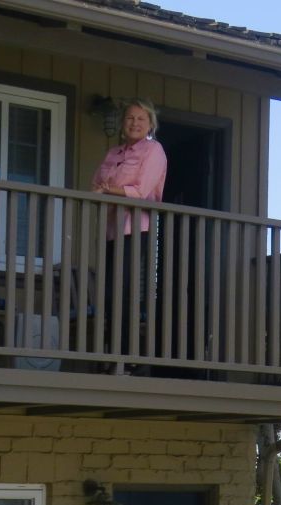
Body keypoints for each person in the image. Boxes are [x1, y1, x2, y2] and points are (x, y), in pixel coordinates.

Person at [91, 98, 167, 363]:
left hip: (137, 230)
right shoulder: (114, 153)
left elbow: (141, 191)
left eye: (140, 119)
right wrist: (106, 189)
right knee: (110, 291)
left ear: (149, 124)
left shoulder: (153, 150)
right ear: (123, 124)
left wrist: (109, 189)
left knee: (124, 291)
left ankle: (125, 356)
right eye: (130, 118)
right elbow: (95, 185)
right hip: (112, 230)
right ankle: (113, 353)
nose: (135, 123)